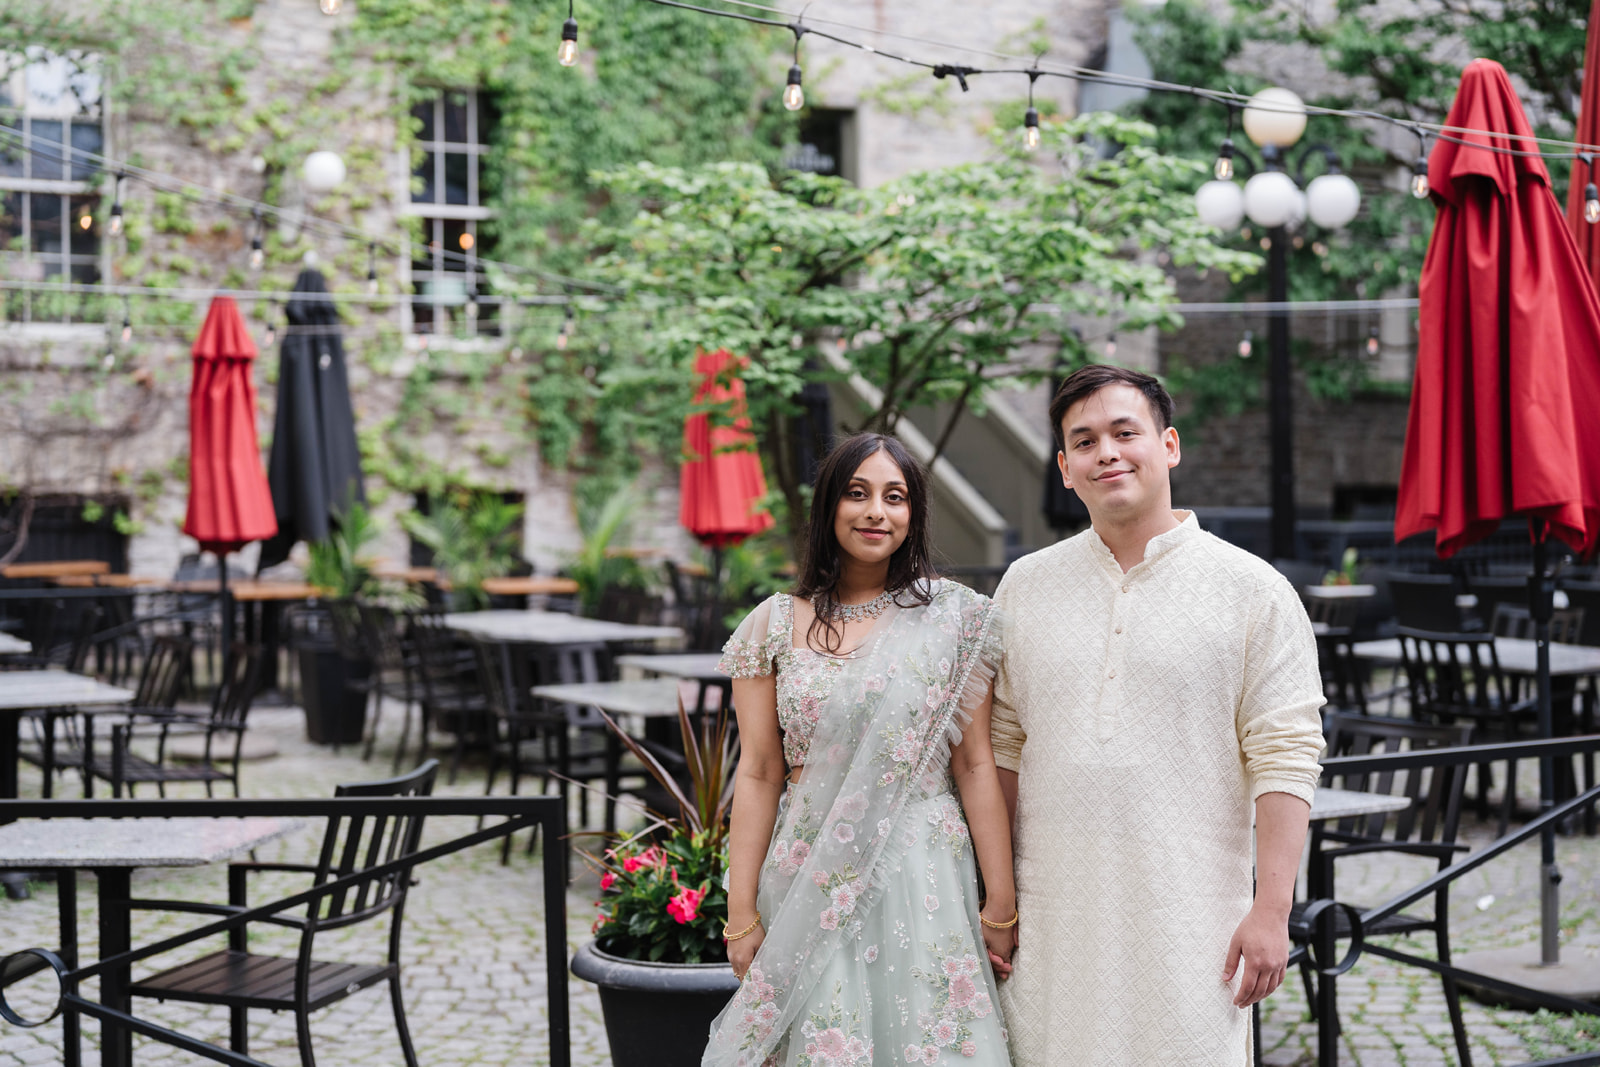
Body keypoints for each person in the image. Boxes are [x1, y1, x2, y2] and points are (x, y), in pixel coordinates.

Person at [990, 364, 1325, 1066]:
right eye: (1084, 441)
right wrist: (997, 898)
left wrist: (1272, 909)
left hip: (1191, 918)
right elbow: (1004, 746)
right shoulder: (1025, 585)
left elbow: (1286, 753)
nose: (1106, 451)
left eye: (1124, 432)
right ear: (1064, 468)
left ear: (1168, 445)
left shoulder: (1252, 591)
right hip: (1055, 912)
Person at [704, 432, 1017, 1067]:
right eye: (858, 493)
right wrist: (740, 913)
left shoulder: (954, 619)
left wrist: (1001, 903)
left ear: (913, 515)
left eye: (895, 497)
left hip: (921, 865)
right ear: (829, 507)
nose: (877, 511)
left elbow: (975, 763)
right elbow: (761, 773)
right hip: (807, 867)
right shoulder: (772, 623)